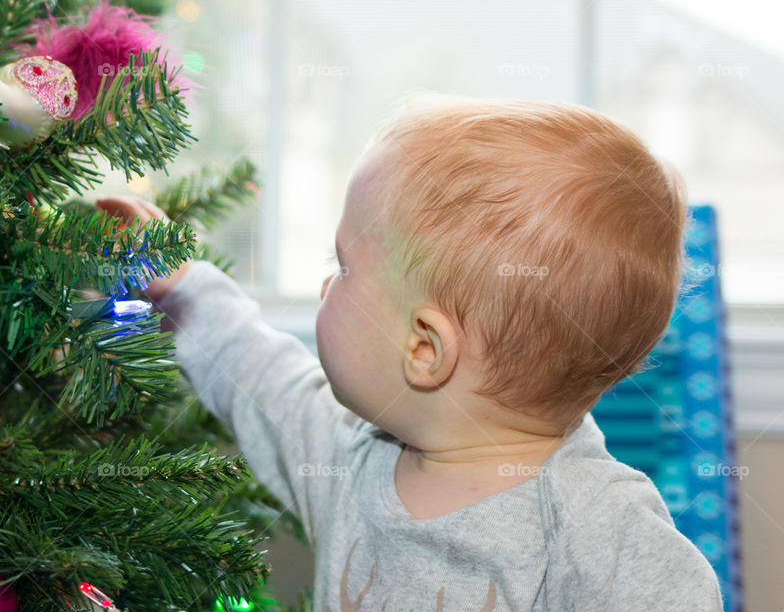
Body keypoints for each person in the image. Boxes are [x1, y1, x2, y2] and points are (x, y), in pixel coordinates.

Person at [97, 94, 723, 611]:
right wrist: (182, 287)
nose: (324, 286)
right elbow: (262, 379)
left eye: (342, 268)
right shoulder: (355, 458)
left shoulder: (597, 526)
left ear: (424, 348)